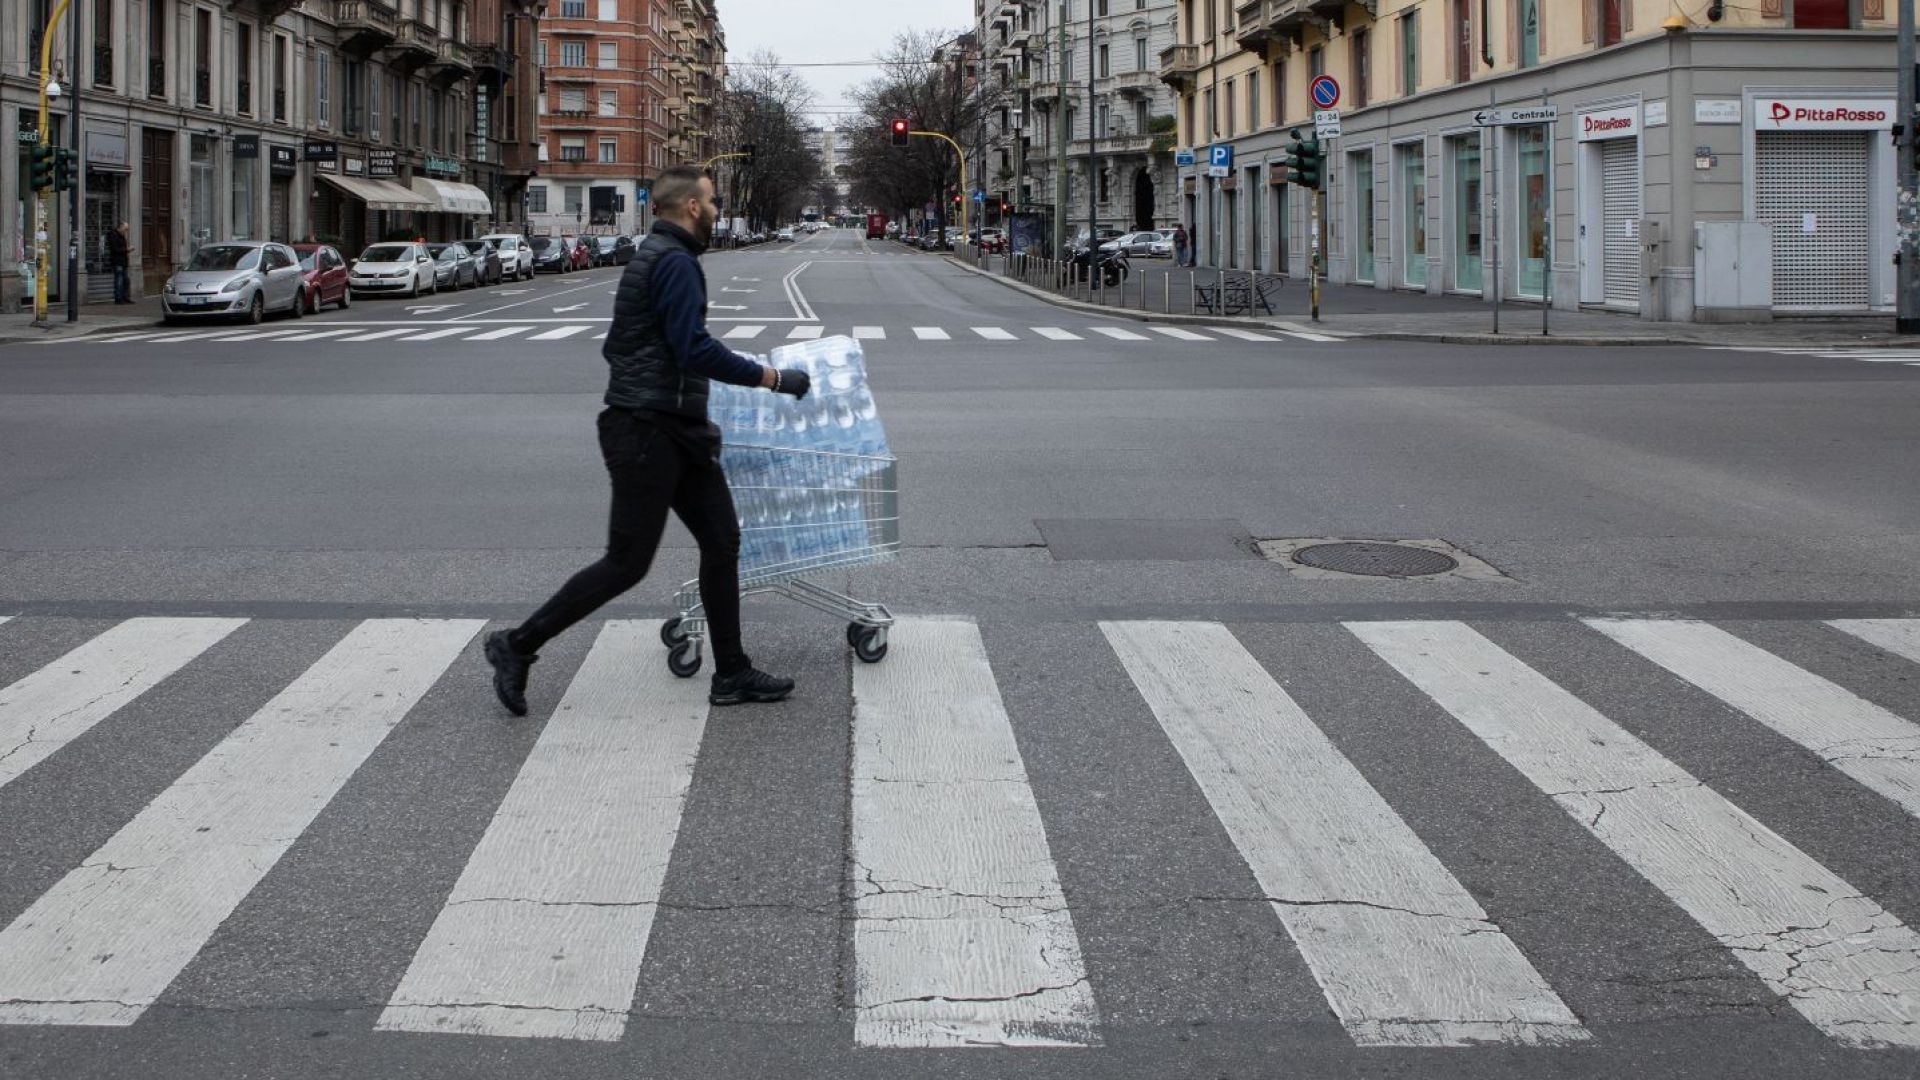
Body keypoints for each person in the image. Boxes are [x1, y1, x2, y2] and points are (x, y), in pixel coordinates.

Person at [484, 164, 812, 715]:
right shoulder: (674, 263)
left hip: (676, 427)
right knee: (627, 562)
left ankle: (731, 672)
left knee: (722, 542)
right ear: (690, 207)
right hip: (647, 429)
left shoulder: (658, 258)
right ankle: (516, 645)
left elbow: (626, 345)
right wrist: (772, 378)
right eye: (711, 201)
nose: (716, 210)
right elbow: (693, 350)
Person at [107, 222, 131, 304]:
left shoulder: (122, 236)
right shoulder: (113, 235)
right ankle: (118, 298)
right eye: (125, 229)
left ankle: (125, 297)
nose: (126, 231)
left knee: (126, 280)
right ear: (120, 227)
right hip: (117, 261)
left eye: (127, 230)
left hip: (123, 261)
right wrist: (127, 250)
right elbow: (115, 249)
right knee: (119, 280)